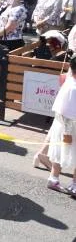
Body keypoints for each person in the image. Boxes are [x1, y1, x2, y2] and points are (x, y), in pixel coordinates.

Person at [0, 0, 28, 96]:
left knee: (9, 69)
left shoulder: (20, 9)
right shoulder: (7, 6)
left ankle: (6, 94)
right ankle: (1, 88)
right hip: (2, 40)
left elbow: (11, 27)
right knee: (1, 66)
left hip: (13, 42)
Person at [46, 56, 76, 195]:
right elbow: (67, 112)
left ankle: (53, 178)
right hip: (69, 127)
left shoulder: (69, 82)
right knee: (66, 152)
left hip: (63, 125)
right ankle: (74, 184)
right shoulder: (73, 87)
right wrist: (68, 133)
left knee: (59, 152)